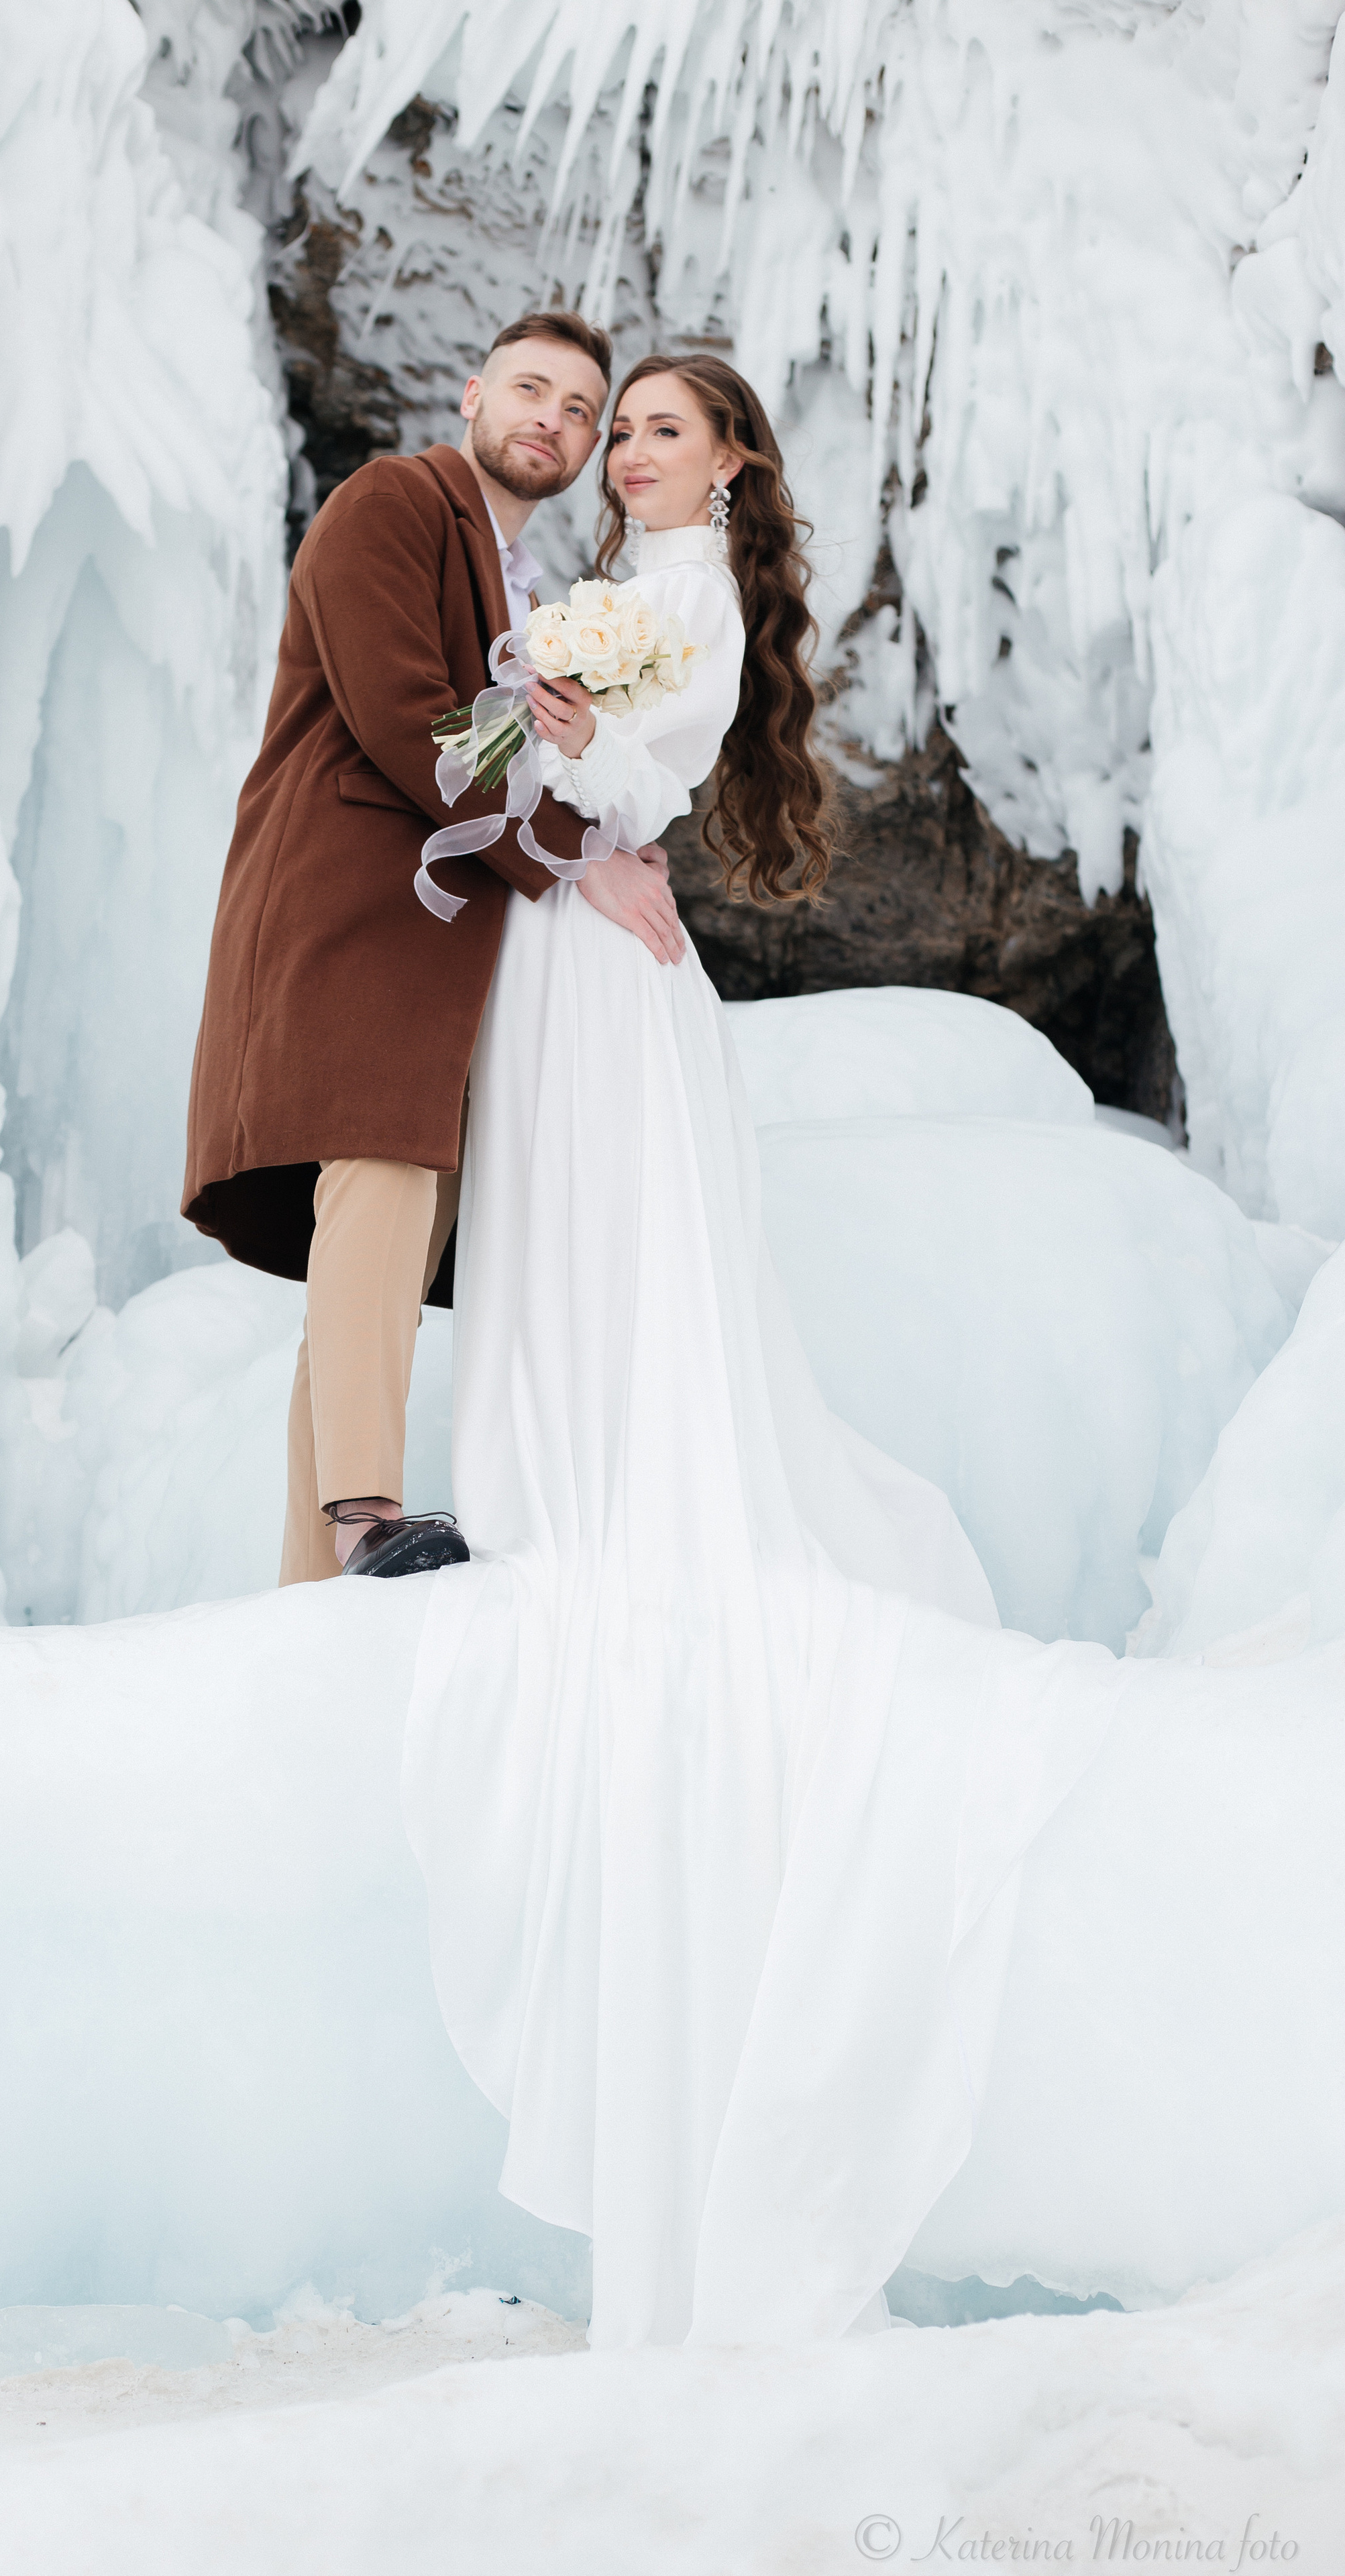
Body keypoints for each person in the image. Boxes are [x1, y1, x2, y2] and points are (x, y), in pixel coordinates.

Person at [400, 354, 1126, 2347]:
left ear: (729, 458)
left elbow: (629, 778)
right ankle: (546, 1475)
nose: (631, 446)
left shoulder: (689, 593)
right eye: (615, 423)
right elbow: (487, 759)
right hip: (553, 943)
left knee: (607, 1235)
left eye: (663, 425)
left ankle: (613, 1488)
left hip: (598, 949)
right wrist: (518, 731)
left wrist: (561, 760)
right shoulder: (590, 590)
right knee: (548, 1228)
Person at [181, 309, 682, 1584]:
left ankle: (316, 1576)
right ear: (471, 394)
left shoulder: (527, 588)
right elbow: (413, 724)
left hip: (443, 942)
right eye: (532, 390)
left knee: (389, 1236)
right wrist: (578, 855)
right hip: (354, 906)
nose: (554, 423)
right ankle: (364, 1519)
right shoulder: (391, 504)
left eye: (581, 413)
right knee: (385, 1179)